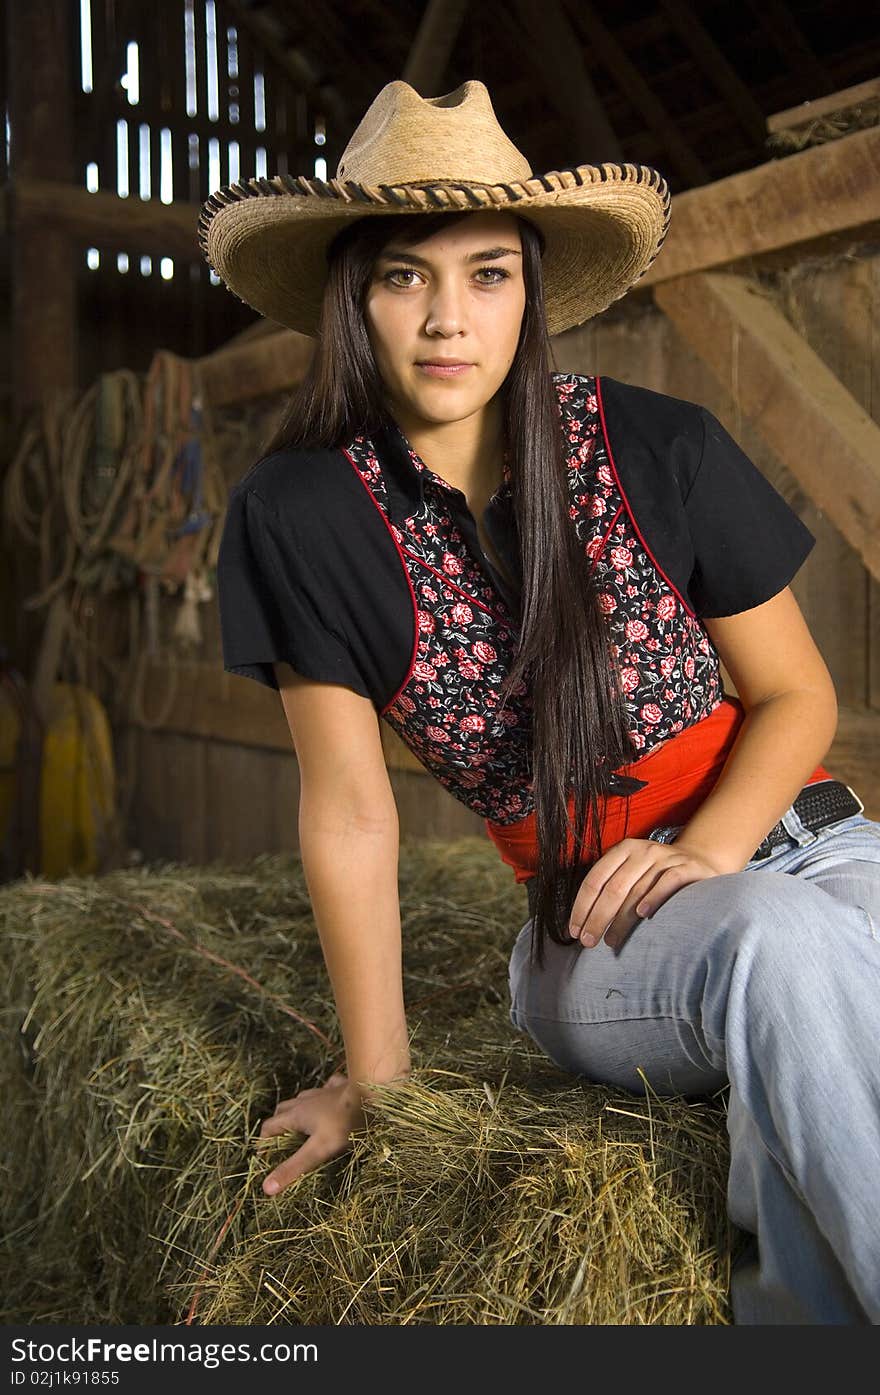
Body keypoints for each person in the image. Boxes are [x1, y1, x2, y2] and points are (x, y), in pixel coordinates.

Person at [201, 79, 880, 1324]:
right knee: (779, 952)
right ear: (354, 295)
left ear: (533, 290)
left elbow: (795, 695)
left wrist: (713, 849)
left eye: (489, 275)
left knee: (822, 955)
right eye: (405, 276)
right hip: (599, 934)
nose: (448, 319)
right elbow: (351, 817)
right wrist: (379, 1081)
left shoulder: (658, 442)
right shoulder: (297, 515)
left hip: (819, 846)